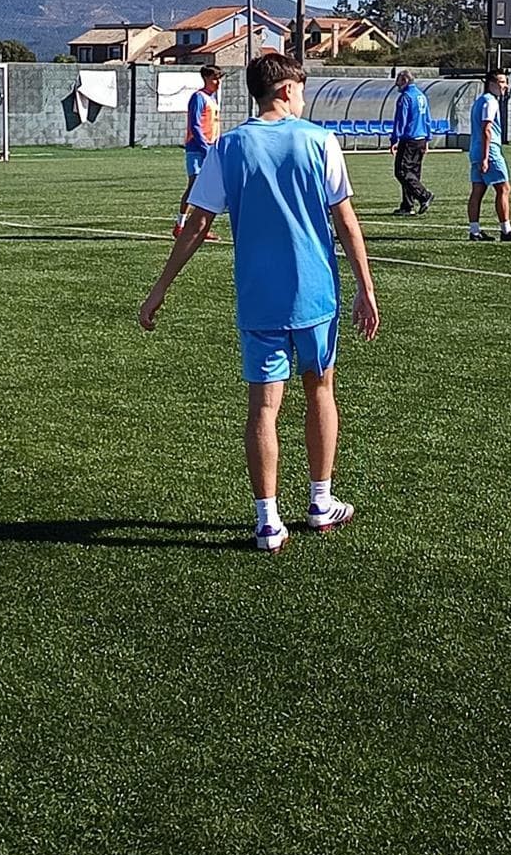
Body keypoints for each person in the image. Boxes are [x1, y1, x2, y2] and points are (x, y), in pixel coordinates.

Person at [140, 53, 380, 553]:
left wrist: (161, 286)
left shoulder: (229, 147)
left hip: (258, 297)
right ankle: (320, 501)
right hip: (315, 295)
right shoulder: (319, 140)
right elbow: (345, 220)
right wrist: (366, 286)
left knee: (264, 407)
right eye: (302, 86)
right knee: (320, 390)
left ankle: (268, 521)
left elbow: (197, 226)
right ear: (287, 89)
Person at [467, 68, 511, 242]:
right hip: (489, 150)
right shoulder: (490, 102)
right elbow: (487, 129)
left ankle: (474, 231)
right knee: (503, 188)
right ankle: (506, 230)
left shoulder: (479, 101)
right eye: (501, 82)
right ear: (491, 84)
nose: (505, 86)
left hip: (475, 150)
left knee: (478, 190)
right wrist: (486, 157)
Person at [173, 64, 221, 240]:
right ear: (206, 79)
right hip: (197, 148)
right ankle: (180, 224)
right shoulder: (198, 97)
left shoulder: (213, 98)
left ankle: (201, 226)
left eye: (219, 78)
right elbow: (195, 125)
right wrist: (204, 147)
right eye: (214, 78)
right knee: (194, 186)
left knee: (207, 189)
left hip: (210, 148)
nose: (218, 82)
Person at [389, 70, 434, 216]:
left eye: (398, 82)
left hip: (409, 139)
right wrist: (428, 137)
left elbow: (400, 120)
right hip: (420, 139)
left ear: (404, 81)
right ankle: (408, 206)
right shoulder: (421, 96)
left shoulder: (406, 97)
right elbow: (427, 118)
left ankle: (424, 195)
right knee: (413, 173)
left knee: (401, 171)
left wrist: (394, 139)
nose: (397, 86)